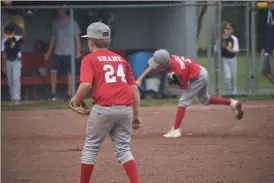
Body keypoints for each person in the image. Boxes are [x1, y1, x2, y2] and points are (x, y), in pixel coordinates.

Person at [71, 22, 142, 183]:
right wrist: (137, 115)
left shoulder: (89, 59)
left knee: (91, 147)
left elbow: (86, 84)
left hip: (103, 109)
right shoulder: (121, 60)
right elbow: (134, 89)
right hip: (125, 110)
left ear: (90, 42)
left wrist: (75, 102)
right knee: (124, 150)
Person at [136, 49, 244, 138]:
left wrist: (171, 84)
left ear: (164, 64)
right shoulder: (170, 58)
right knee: (205, 100)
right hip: (200, 71)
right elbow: (152, 66)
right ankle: (232, 103)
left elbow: (184, 86)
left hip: (198, 77)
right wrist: (140, 79)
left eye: (158, 65)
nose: (156, 66)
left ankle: (176, 130)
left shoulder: (179, 71)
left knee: (183, 101)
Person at [45, 7, 82, 101]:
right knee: (53, 72)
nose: (60, 11)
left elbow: (77, 38)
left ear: (65, 10)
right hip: (58, 51)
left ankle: (69, 93)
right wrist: (49, 52)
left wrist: (78, 51)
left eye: (61, 9)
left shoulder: (72, 22)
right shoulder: (55, 23)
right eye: (58, 10)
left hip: (69, 52)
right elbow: (53, 38)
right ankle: (53, 93)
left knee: (70, 73)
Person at [1, 22, 25, 105]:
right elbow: (3, 54)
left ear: (13, 32)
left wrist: (22, 28)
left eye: (9, 33)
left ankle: (17, 98)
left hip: (17, 61)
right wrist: (3, 66)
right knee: (10, 81)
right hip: (8, 61)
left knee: (16, 79)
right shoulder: (4, 40)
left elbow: (23, 37)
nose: (8, 34)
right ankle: (12, 98)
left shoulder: (17, 38)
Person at [221, 22, 239, 98]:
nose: (227, 30)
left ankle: (233, 93)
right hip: (224, 59)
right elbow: (216, 49)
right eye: (226, 29)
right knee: (228, 77)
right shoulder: (221, 38)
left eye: (229, 29)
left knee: (233, 77)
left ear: (232, 30)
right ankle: (228, 93)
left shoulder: (234, 39)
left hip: (232, 59)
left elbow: (236, 51)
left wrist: (226, 48)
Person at [260, 0, 274, 85]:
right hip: (267, 48)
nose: (269, 4)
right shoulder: (267, 14)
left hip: (272, 49)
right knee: (264, 71)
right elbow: (265, 33)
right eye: (268, 3)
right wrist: (263, 47)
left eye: (271, 3)